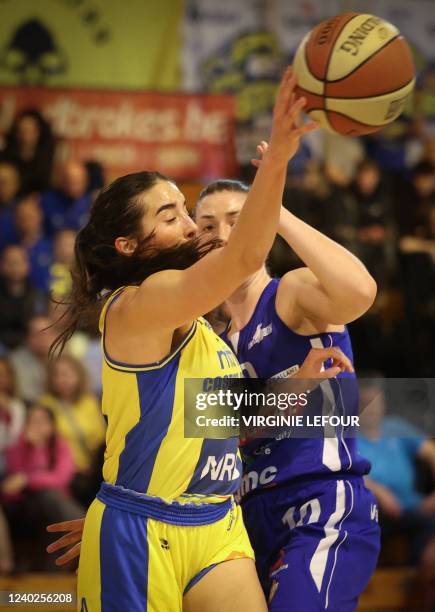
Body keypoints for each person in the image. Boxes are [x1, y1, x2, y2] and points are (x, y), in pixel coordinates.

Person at [47, 68, 318, 612]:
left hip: (215, 521)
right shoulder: (138, 305)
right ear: (128, 245)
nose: (192, 227)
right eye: (171, 216)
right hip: (141, 531)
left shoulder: (198, 325)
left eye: (184, 210)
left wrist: (302, 389)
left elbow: (217, 419)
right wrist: (281, 154)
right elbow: (242, 256)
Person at [192, 153, 379, 610]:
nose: (223, 236)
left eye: (239, 220)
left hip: (319, 501)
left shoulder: (290, 294)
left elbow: (360, 293)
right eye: (208, 226)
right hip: (242, 518)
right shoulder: (204, 337)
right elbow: (220, 435)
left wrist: (277, 213)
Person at [1, 404, 83, 571]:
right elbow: (12, 487)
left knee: (49, 496)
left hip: (54, 504)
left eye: (42, 421)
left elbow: (60, 479)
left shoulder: (61, 446)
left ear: (52, 426)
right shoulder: (17, 448)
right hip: (24, 505)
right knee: (46, 496)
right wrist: (35, 449)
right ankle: (82, 529)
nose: (36, 426)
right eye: (32, 421)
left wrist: (27, 478)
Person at [40, 354, 106, 506]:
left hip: (95, 467)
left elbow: (102, 436)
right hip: (67, 471)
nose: (62, 380)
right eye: (57, 375)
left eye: (68, 374)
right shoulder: (46, 405)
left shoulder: (89, 402)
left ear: (79, 375)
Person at [0, 245, 45, 351]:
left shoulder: (38, 296)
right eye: (10, 263)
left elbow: (39, 324)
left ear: (28, 266)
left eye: (19, 262)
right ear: (2, 266)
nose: (15, 267)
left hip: (30, 347)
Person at [1, 109, 55, 192]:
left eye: (30, 131)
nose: (25, 136)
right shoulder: (5, 156)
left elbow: (45, 186)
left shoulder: (46, 157)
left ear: (38, 132)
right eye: (21, 131)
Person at [9, 315, 56, 403]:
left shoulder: (64, 357)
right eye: (38, 334)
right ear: (28, 338)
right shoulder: (14, 362)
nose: (44, 338)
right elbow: (25, 396)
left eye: (48, 333)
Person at [40, 160, 93, 237]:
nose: (73, 186)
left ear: (86, 182)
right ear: (61, 180)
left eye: (77, 181)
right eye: (70, 180)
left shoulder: (93, 203)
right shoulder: (46, 201)